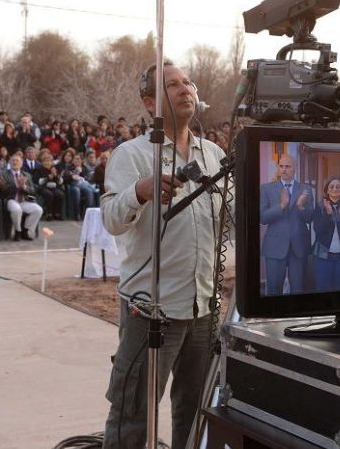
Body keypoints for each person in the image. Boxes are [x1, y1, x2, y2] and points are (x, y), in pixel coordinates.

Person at [100, 62, 225, 449]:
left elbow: (232, 220)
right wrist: (140, 191)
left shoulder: (214, 155)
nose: (185, 89)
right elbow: (111, 219)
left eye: (188, 82)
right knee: (133, 415)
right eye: (172, 85)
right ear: (149, 102)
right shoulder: (132, 154)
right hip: (151, 309)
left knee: (196, 411)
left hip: (203, 309)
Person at [260, 155, 314, 295]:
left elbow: (310, 218)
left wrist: (301, 206)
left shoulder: (305, 189)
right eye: (281, 166)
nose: (284, 169)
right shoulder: (266, 189)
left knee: (298, 289)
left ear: (295, 168)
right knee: (273, 290)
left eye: (287, 166)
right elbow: (263, 218)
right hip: (275, 247)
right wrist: (282, 206)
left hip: (299, 246)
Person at [311, 177, 340, 291]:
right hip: (322, 256)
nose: (335, 189)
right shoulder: (320, 206)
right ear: (327, 190)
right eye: (331, 187)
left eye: (338, 187)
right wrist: (328, 214)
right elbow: (318, 229)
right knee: (323, 289)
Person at [4, 153, 43, 241]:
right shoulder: (5, 174)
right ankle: (17, 231)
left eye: (17, 161)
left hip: (25, 200)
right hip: (12, 199)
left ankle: (25, 230)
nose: (15, 162)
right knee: (17, 210)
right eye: (13, 161)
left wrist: (24, 186)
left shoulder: (26, 175)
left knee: (38, 210)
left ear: (21, 164)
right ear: (10, 163)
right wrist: (17, 185)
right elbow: (4, 189)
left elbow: (32, 190)